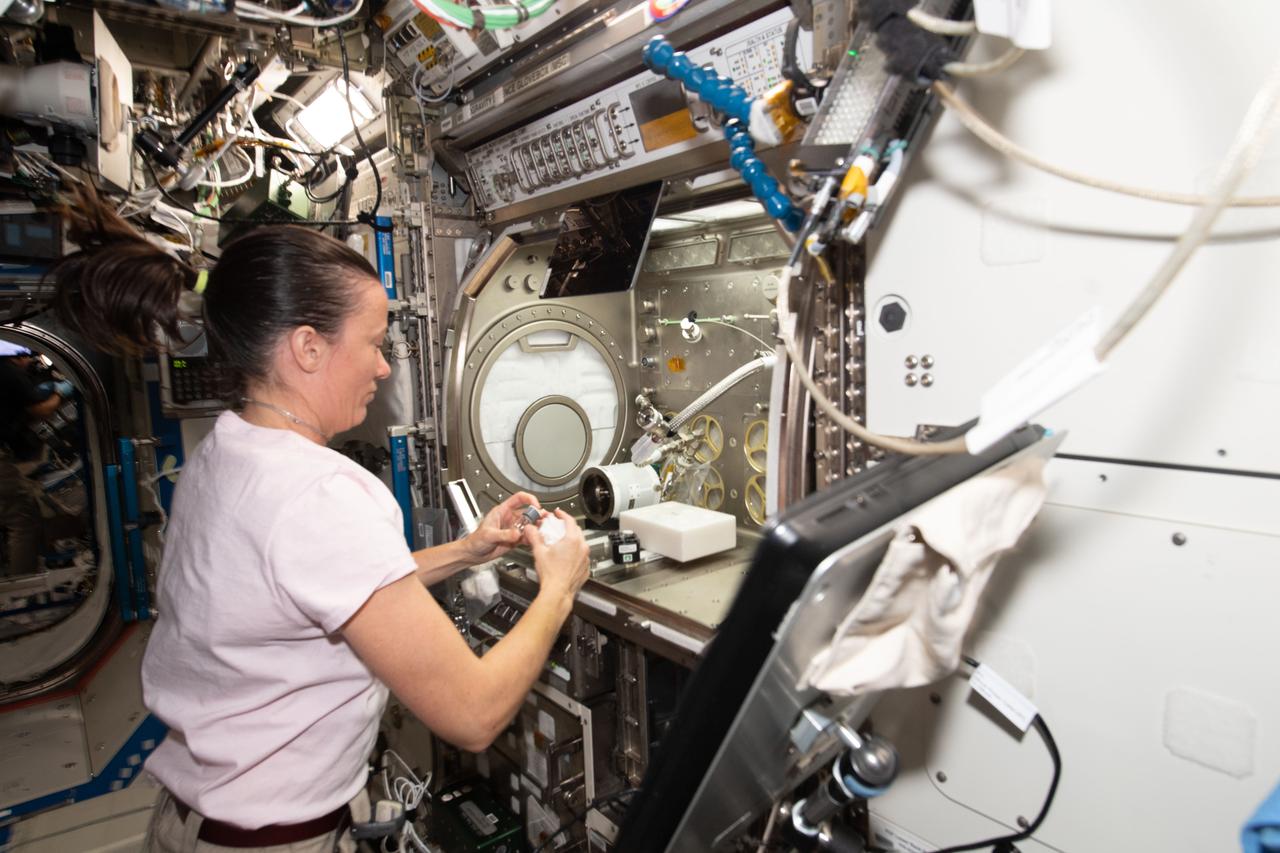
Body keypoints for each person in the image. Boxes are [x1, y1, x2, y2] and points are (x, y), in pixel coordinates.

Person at [49, 186, 591, 853]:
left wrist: (466, 550)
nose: (384, 365)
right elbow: (475, 713)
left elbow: (311, 591)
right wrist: (560, 584)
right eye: (372, 342)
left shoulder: (226, 455)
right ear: (308, 346)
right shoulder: (322, 492)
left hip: (189, 826)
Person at [0, 345, 72, 577]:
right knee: (23, 518)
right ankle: (24, 588)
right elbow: (41, 410)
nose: (31, 362)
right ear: (17, 356)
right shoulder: (9, 372)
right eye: (29, 358)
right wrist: (61, 391)